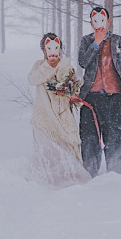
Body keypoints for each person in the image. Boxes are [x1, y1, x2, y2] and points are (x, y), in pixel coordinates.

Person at [27, 32, 90, 188]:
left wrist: (72, 94)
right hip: (44, 117)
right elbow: (32, 80)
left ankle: (70, 179)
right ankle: (47, 180)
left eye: (56, 47)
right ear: (43, 50)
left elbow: (74, 87)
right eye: (49, 48)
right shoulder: (38, 66)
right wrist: (48, 66)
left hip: (62, 115)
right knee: (46, 148)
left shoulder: (67, 67)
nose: (53, 51)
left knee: (66, 146)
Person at [78, 6, 121, 177]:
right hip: (90, 98)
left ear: (108, 22)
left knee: (116, 138)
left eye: (102, 20)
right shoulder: (87, 41)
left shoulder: (120, 42)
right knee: (89, 140)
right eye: (95, 21)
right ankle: (89, 175)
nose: (99, 24)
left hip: (115, 97)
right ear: (91, 23)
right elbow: (83, 62)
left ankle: (118, 175)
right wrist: (96, 43)